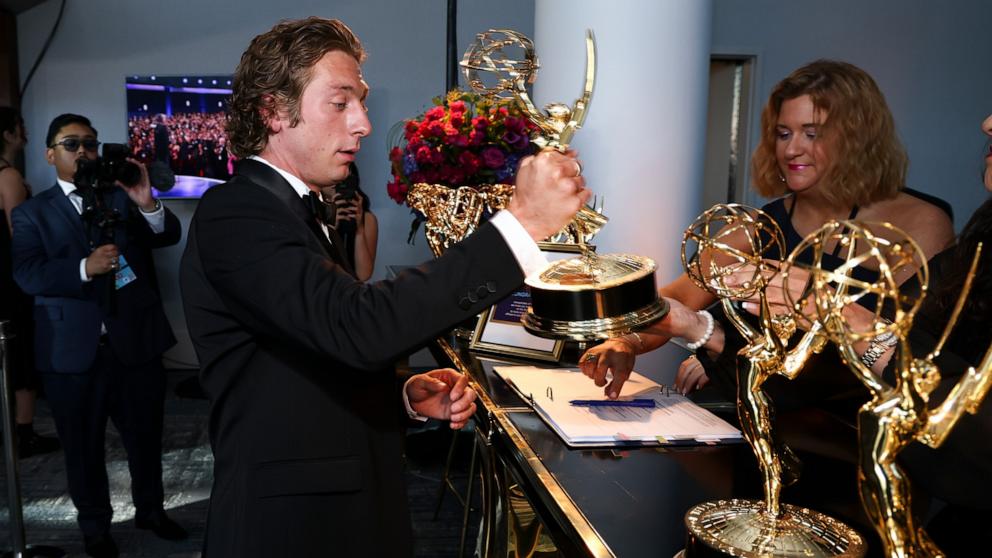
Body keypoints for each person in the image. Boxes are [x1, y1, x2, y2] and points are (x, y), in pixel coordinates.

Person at [179, 17, 588, 558]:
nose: (365, 124)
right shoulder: (237, 211)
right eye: (340, 102)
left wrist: (399, 400)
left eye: (362, 102)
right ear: (274, 111)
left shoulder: (293, 209)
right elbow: (358, 326)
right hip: (291, 529)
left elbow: (306, 355)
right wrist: (521, 225)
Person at [579, 60, 955, 402]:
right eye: (783, 133)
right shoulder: (758, 227)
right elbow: (675, 301)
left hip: (852, 419)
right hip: (765, 411)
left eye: (812, 133)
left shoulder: (918, 221)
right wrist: (624, 340)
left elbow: (916, 350)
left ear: (857, 138)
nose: (792, 149)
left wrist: (718, 347)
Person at [11, 113, 186, 558]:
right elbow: (27, 273)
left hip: (135, 343)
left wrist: (147, 203)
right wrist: (82, 269)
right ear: (50, 154)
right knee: (83, 448)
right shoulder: (32, 212)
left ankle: (151, 510)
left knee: (147, 439)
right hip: (72, 352)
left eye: (90, 143)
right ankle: (94, 527)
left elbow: (166, 235)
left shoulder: (122, 197)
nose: (83, 151)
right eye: (71, 144)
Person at [0, 106, 61, 458]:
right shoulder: (8, 176)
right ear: (8, 134)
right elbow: (19, 235)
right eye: (20, 126)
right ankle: (24, 432)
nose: (24, 131)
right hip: (11, 279)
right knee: (20, 350)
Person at [320, 161, 377, 280]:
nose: (339, 182)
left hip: (353, 293)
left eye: (345, 179)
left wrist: (359, 230)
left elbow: (364, 275)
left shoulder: (367, 219)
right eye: (334, 175)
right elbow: (317, 269)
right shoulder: (312, 212)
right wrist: (331, 229)